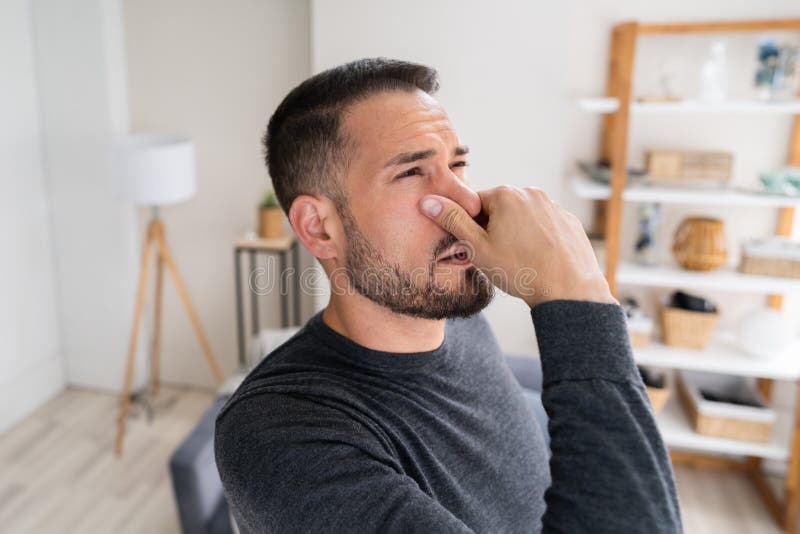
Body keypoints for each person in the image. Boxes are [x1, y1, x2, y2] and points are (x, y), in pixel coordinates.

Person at [215, 58, 681, 534]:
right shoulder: (280, 435)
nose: (466, 200)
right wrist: (575, 296)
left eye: (457, 165)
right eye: (412, 172)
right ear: (319, 228)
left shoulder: (459, 320)